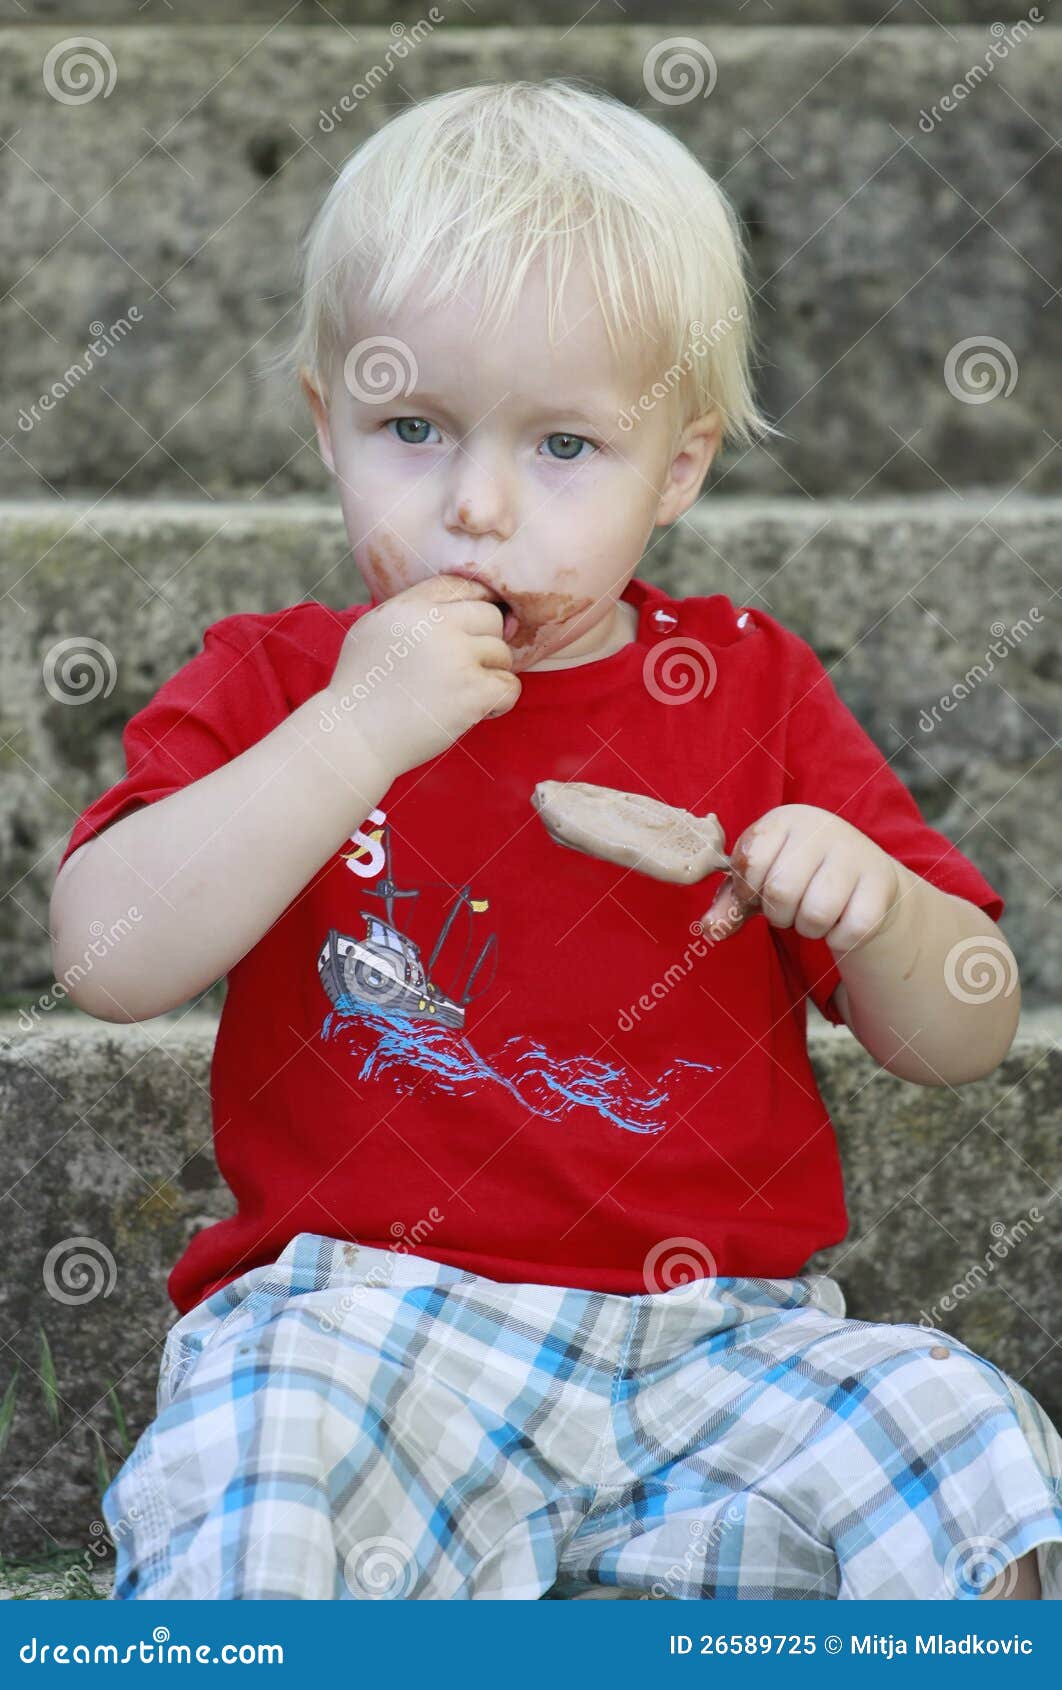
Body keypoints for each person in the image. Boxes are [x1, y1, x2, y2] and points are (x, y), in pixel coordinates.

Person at [50, 78, 1062, 1602]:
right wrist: (350, 732)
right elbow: (107, 959)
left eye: (566, 447)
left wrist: (883, 914)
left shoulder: (746, 682)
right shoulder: (273, 682)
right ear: (327, 426)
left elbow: (964, 1031)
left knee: (954, 1428)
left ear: (679, 466)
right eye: (412, 427)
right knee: (259, 1451)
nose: (477, 504)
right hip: (370, 1325)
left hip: (720, 1343)